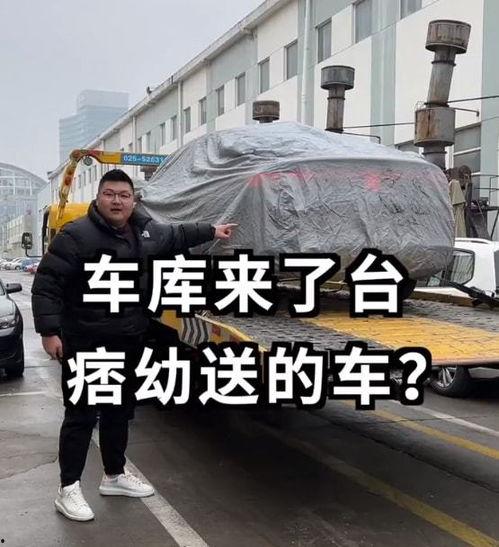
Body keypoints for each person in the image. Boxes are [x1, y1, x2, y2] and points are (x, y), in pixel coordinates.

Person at [32, 169, 236, 522]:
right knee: (82, 416)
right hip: (87, 342)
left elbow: (177, 234)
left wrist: (211, 230)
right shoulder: (76, 235)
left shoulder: (145, 231)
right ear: (99, 198)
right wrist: (49, 332)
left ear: (133, 200)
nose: (117, 201)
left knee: (119, 410)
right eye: (110, 194)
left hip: (128, 339)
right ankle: (68, 488)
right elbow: (47, 284)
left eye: (124, 195)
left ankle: (114, 475)